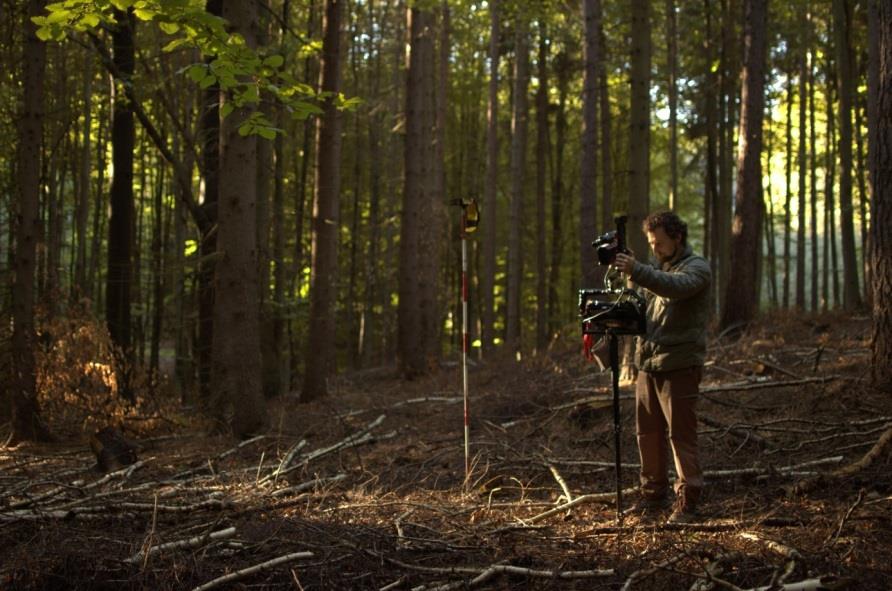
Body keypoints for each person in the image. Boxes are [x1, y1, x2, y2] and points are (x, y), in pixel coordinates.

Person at [614, 211, 711, 524]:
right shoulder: (656, 270)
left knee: (681, 435)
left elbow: (673, 287)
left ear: (677, 238)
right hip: (649, 366)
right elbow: (642, 309)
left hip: (680, 366)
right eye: (650, 244)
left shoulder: (696, 269)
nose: (654, 249)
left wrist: (639, 271)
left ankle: (688, 501)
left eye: (658, 243)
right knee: (648, 433)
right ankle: (653, 495)